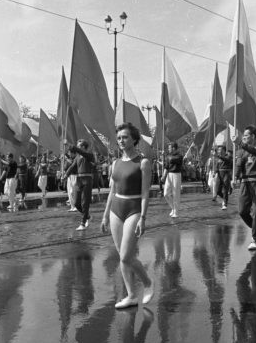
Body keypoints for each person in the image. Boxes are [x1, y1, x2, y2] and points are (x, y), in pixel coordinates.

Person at [101, 122, 154, 309]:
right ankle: (131, 296)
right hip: (116, 208)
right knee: (123, 255)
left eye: (125, 137)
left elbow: (146, 193)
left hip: (133, 209)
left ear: (134, 139)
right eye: (119, 137)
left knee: (125, 256)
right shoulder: (115, 162)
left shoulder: (143, 162)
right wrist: (105, 215)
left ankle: (147, 282)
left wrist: (143, 218)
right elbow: (112, 191)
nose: (121, 140)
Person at [232, 126, 256, 251]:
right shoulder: (242, 150)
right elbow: (239, 164)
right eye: (243, 136)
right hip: (245, 183)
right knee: (242, 211)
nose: (244, 138)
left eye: (246, 136)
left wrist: (241, 143)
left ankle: (255, 239)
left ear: (253, 136)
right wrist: (235, 177)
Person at [64, 139, 95, 230]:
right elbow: (72, 166)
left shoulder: (89, 155)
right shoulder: (77, 157)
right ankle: (88, 216)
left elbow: (79, 151)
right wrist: (65, 175)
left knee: (85, 203)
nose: (77, 147)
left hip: (87, 180)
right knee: (77, 203)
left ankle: (83, 223)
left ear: (84, 147)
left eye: (79, 145)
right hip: (79, 180)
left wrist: (69, 144)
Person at [161, 142, 183, 218]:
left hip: (176, 174)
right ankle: (173, 208)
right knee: (166, 193)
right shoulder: (168, 156)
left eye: (169, 147)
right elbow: (166, 167)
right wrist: (164, 176)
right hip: (169, 174)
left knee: (175, 194)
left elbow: (171, 160)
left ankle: (176, 212)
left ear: (173, 148)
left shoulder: (179, 156)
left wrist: (165, 156)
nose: (168, 149)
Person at [215, 145, 233, 210]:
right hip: (219, 174)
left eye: (220, 150)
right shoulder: (219, 158)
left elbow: (226, 160)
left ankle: (225, 203)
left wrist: (219, 156)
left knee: (225, 189)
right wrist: (215, 172)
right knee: (217, 191)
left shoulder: (228, 156)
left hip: (226, 173)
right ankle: (225, 198)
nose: (219, 151)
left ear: (224, 150)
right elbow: (217, 165)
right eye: (219, 150)